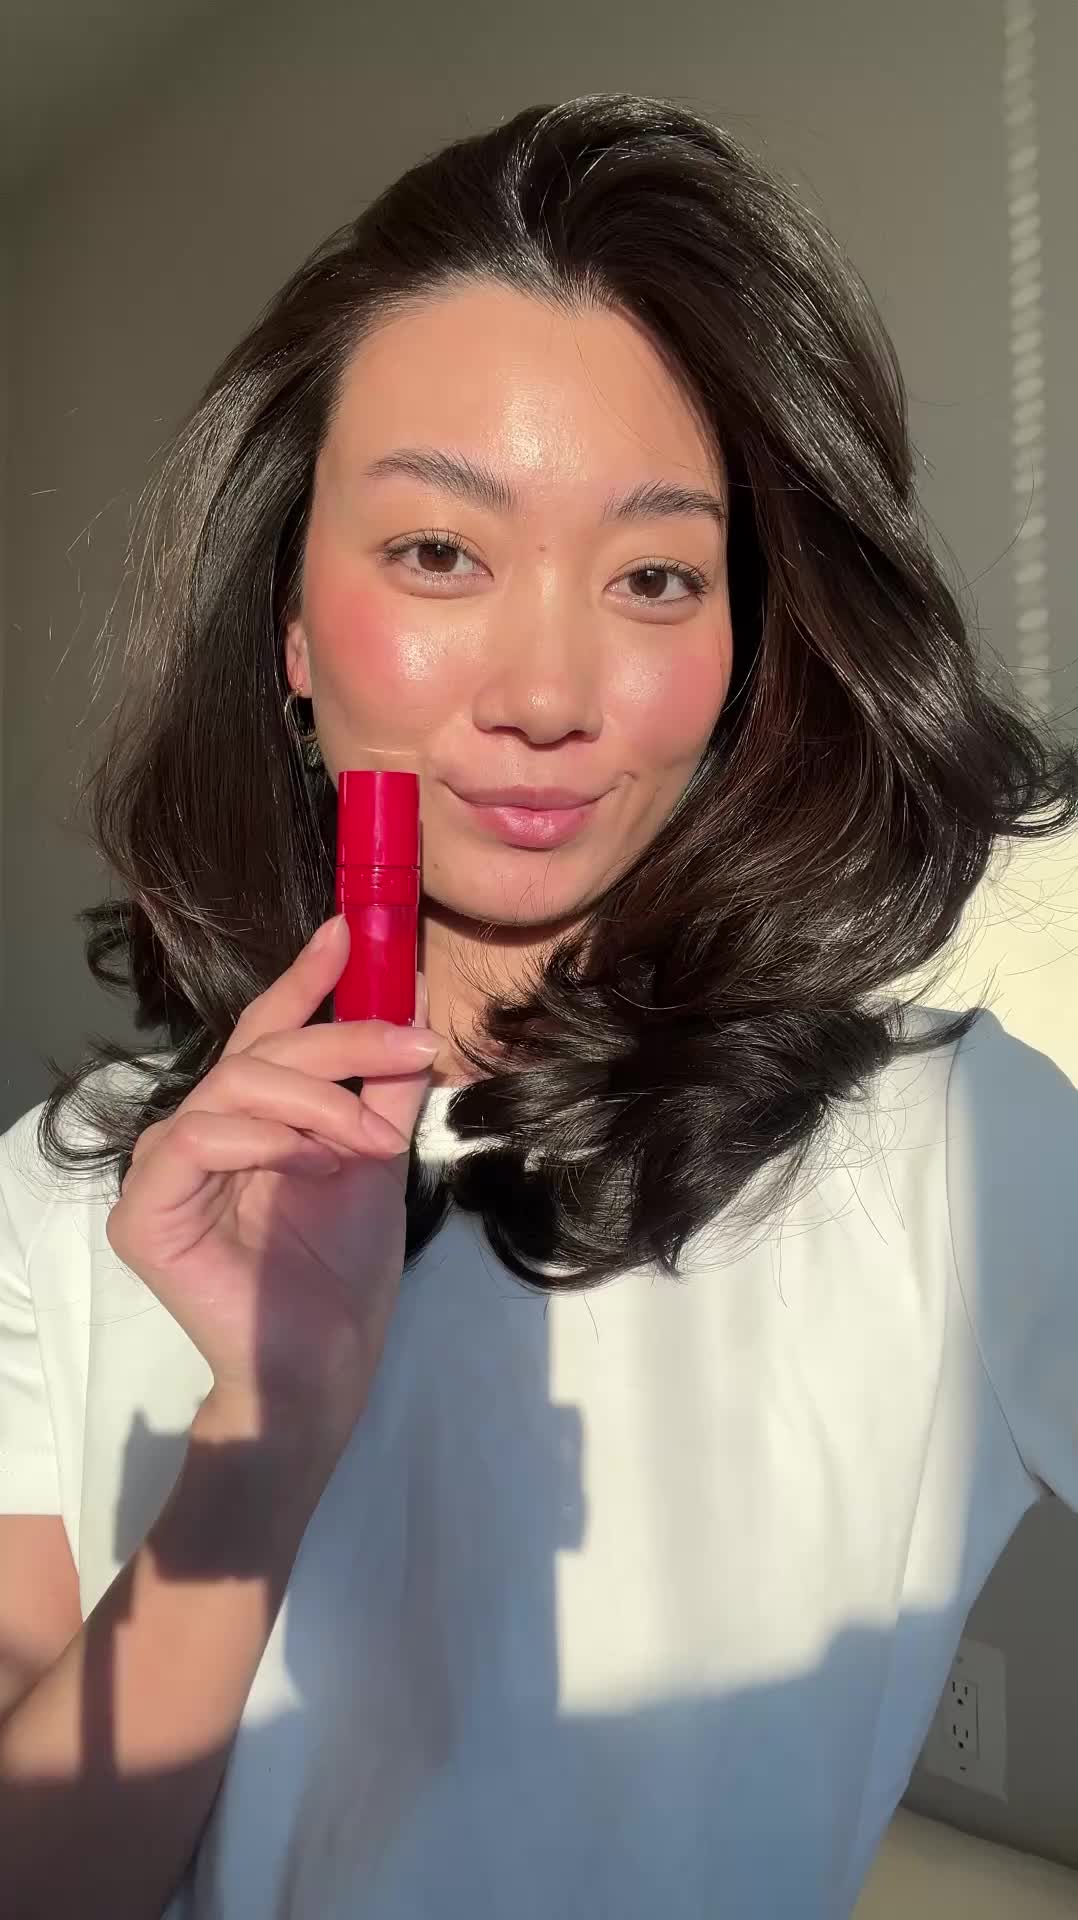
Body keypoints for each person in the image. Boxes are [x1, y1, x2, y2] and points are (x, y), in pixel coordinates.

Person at [1, 91, 1076, 1920]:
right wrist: (260, 1445)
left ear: (737, 656)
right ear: (289, 627)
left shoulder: (940, 1152)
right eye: (439, 552)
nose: (550, 689)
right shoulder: (68, 1194)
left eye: (654, 576)